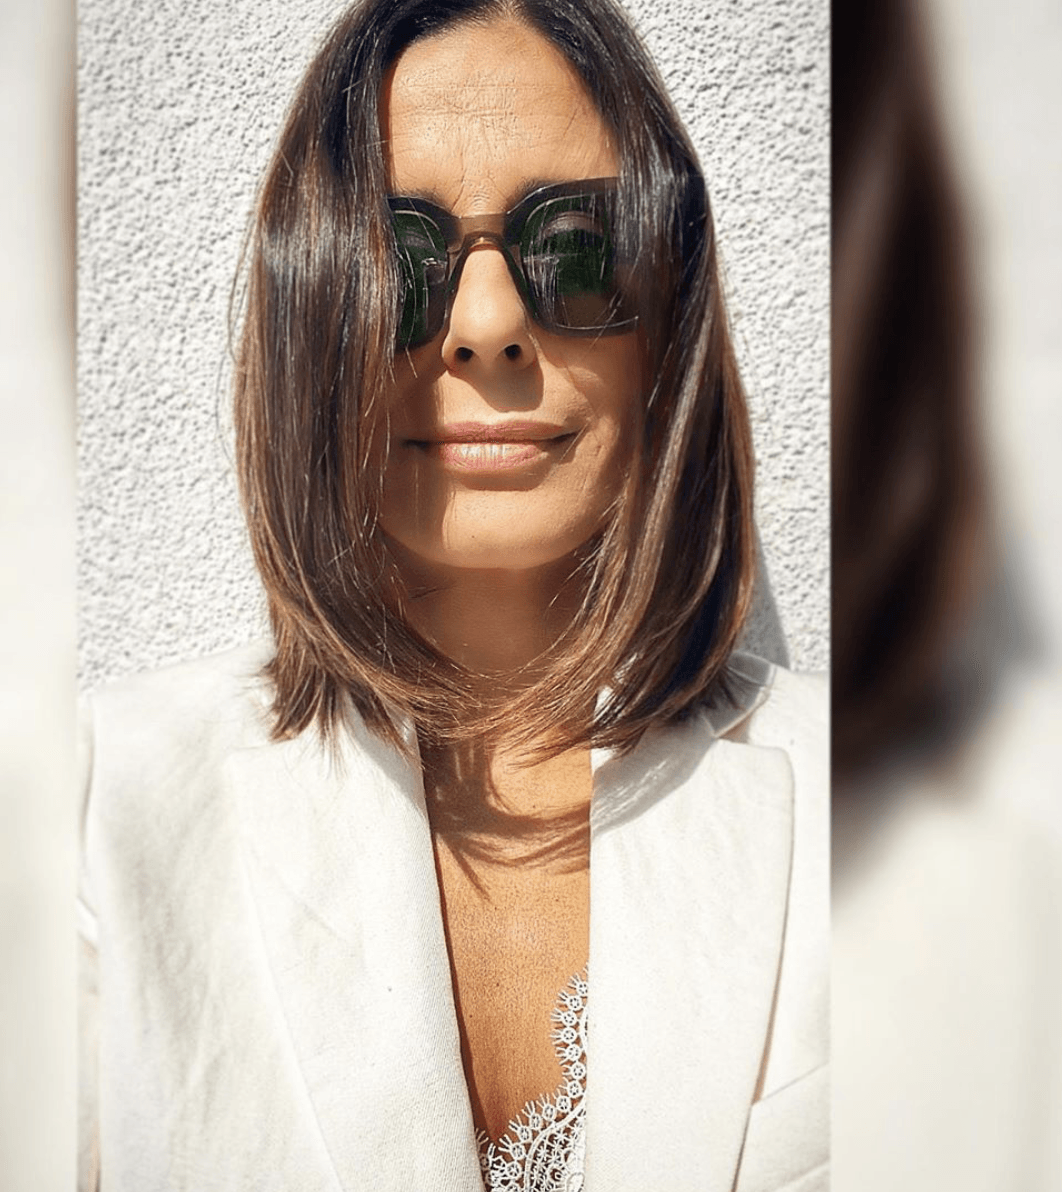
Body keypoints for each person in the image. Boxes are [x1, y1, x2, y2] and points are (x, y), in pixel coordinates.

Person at [78, 0, 828, 1188]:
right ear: (310, 311)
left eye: (577, 243)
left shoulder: (894, 805)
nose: (487, 325)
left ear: (672, 309)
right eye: (398, 259)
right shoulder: (86, 810)